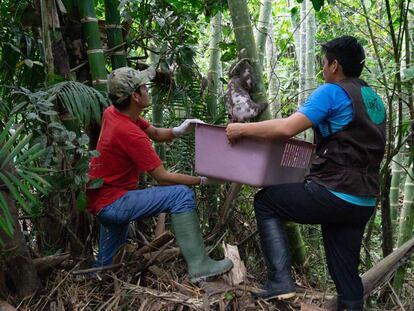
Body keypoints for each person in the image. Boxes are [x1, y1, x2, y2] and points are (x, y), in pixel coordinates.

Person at [226, 36, 386, 311]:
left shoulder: (332, 91)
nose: (322, 68)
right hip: (363, 199)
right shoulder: (373, 99)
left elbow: (288, 128)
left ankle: (281, 282)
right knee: (346, 276)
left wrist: (241, 129)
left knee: (266, 202)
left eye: (324, 63)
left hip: (334, 190)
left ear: (335, 65)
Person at [87, 66, 233, 282]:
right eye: (144, 87)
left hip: (102, 200)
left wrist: (180, 130)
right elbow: (162, 177)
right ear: (135, 96)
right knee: (181, 195)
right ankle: (200, 266)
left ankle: (97, 283)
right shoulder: (129, 133)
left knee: (107, 269)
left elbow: (155, 133)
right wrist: (203, 181)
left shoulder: (115, 112)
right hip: (115, 202)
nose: (148, 90)